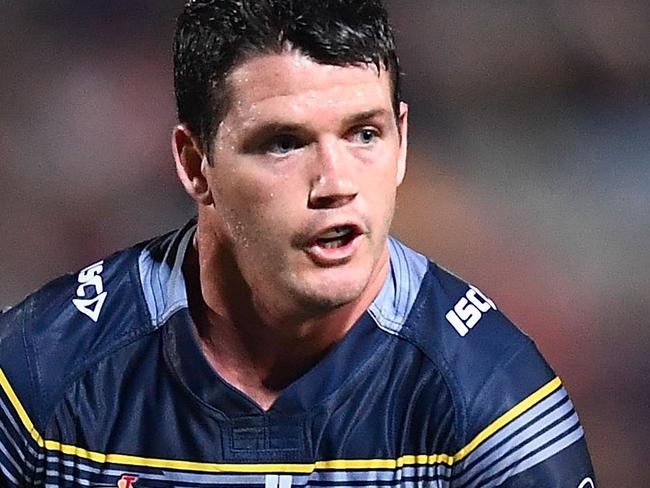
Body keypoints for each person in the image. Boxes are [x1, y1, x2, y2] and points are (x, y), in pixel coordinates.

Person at [0, 0, 595, 486]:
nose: (336, 184)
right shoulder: (39, 372)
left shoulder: (492, 400)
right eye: (284, 143)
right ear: (194, 163)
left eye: (365, 133)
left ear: (403, 140)